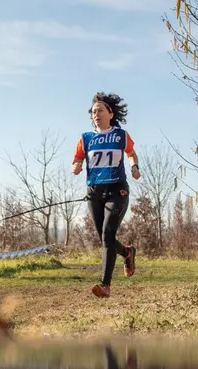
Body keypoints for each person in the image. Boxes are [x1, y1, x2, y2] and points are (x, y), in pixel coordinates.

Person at [71, 92, 140, 298]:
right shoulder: (86, 138)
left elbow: (131, 153)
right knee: (104, 237)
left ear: (110, 113)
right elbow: (76, 159)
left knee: (108, 234)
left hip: (117, 189)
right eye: (93, 112)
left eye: (100, 110)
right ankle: (127, 252)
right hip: (94, 191)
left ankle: (105, 285)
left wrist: (134, 166)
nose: (96, 114)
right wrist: (76, 166)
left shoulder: (120, 135)